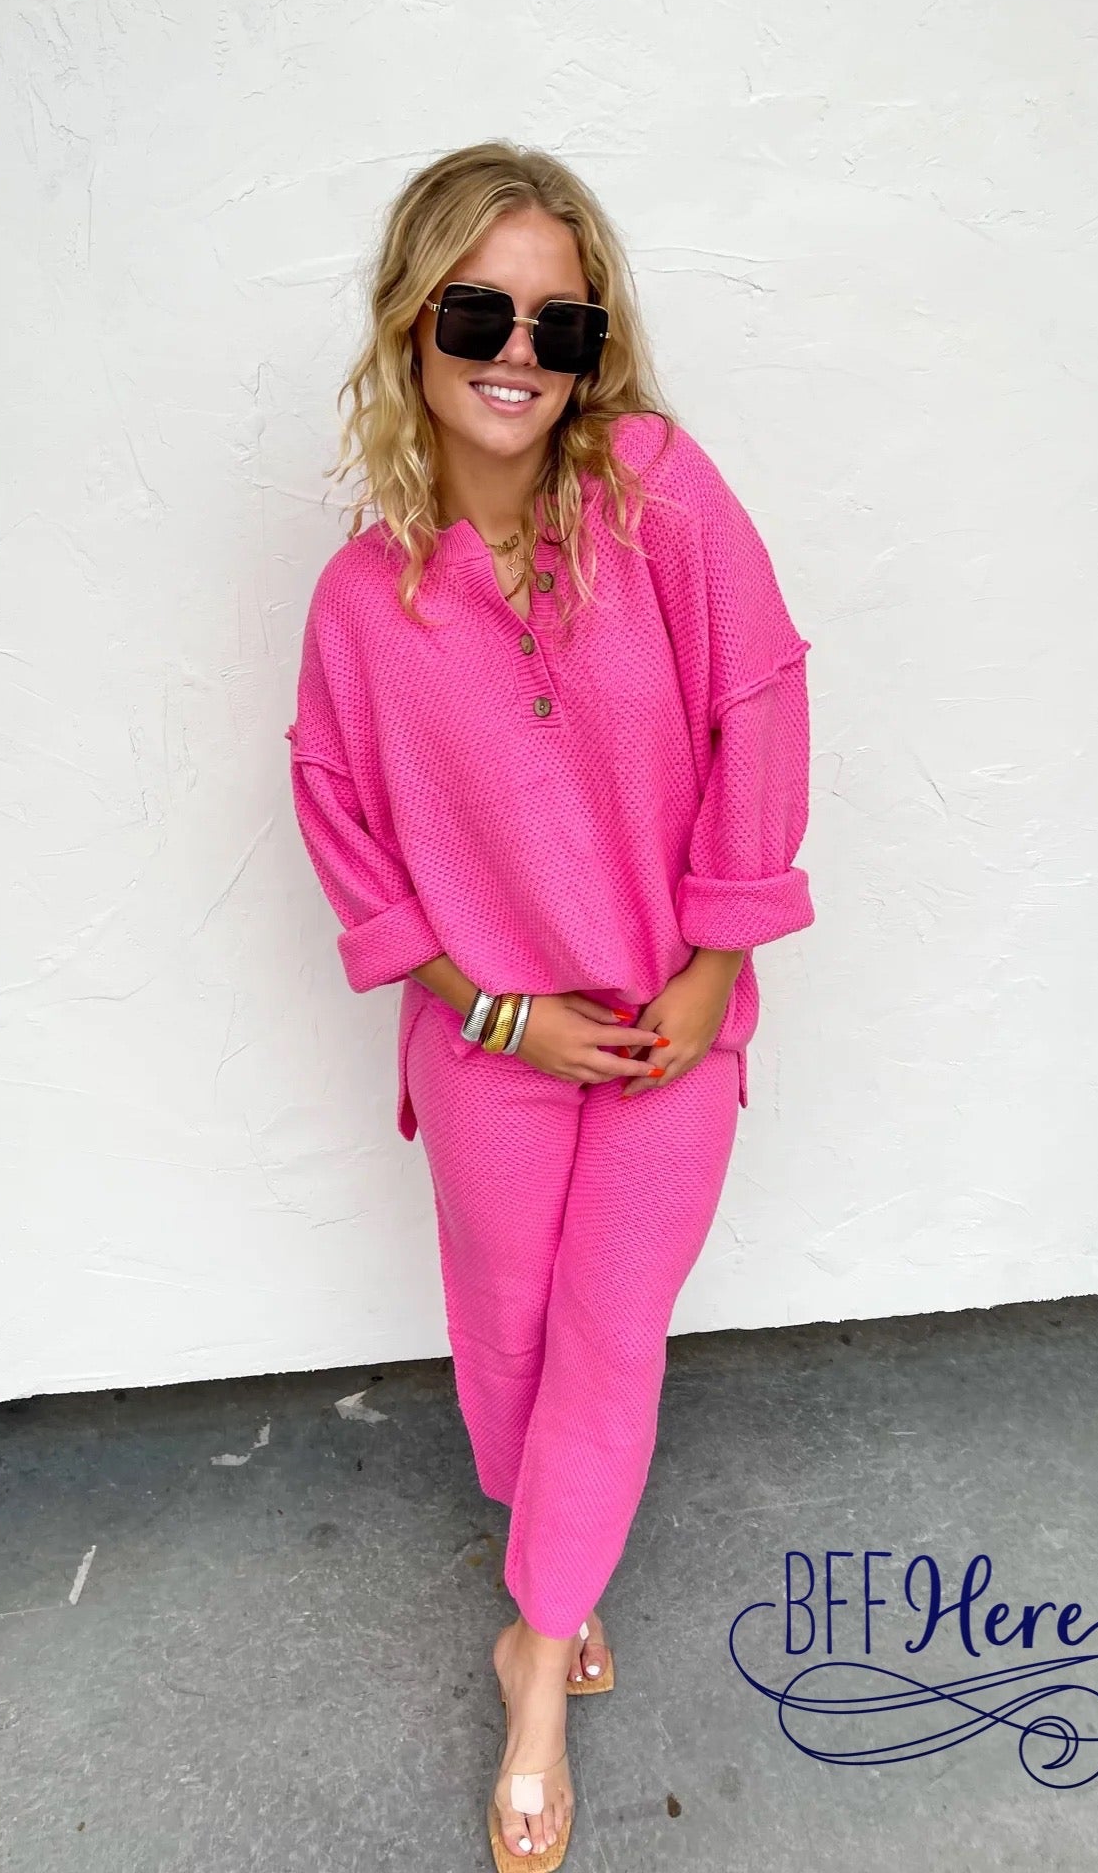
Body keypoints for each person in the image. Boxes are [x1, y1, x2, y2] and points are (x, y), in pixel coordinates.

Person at [285, 140, 814, 1867]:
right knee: (508, 1335)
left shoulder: (653, 492)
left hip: (667, 1027)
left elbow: (758, 696)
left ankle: (534, 1671)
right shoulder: (364, 600)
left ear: (594, 348)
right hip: (494, 1046)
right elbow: (345, 828)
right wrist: (501, 1016)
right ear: (411, 324)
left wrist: (714, 961)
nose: (517, 352)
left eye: (558, 323)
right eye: (478, 313)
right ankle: (559, 1573)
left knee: (607, 1334)